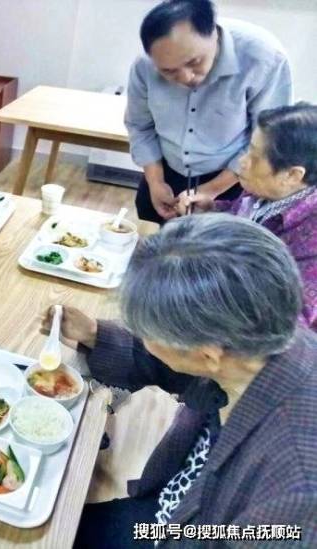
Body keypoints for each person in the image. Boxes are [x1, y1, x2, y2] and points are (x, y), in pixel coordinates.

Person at [41, 215, 316, 548]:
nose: (143, 339)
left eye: (147, 334)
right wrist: (94, 333)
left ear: (208, 354)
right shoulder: (259, 332)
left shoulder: (297, 488)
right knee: (59, 524)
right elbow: (176, 366)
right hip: (170, 512)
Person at [125, 0, 292, 224]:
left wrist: (212, 189)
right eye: (169, 72)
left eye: (194, 62)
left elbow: (269, 138)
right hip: (165, 168)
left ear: (214, 34)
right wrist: (155, 182)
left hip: (233, 177)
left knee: (216, 240)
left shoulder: (263, 59)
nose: (186, 77)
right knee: (151, 230)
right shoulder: (145, 65)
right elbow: (139, 125)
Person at [178, 103, 317, 328]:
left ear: (292, 175)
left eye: (255, 156)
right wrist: (212, 210)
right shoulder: (266, 190)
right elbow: (243, 217)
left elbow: (290, 323)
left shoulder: (311, 238)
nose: (242, 161)